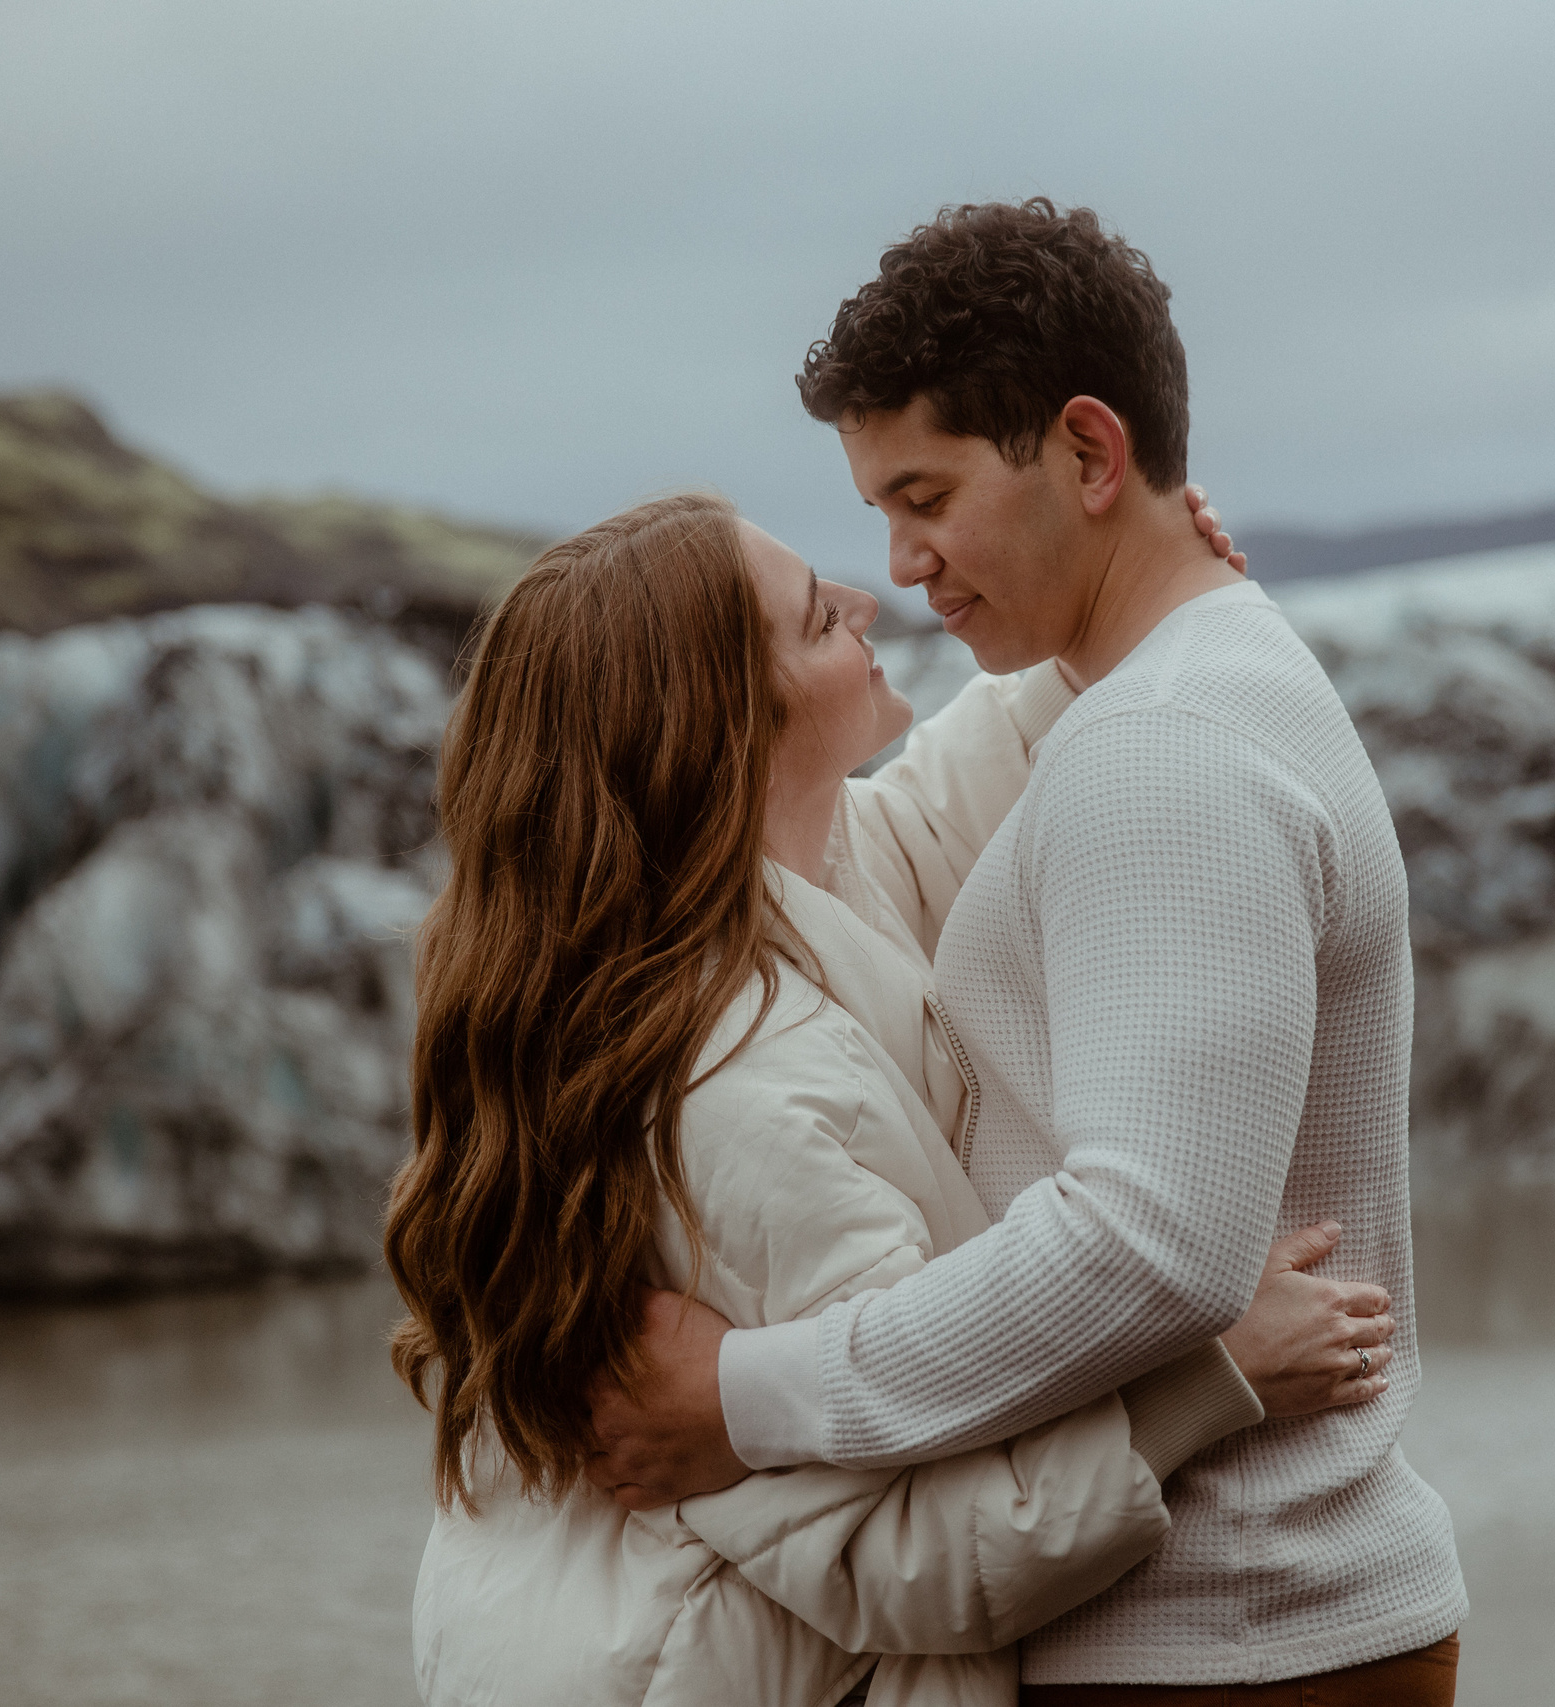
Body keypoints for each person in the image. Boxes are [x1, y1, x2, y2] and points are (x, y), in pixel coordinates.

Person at [587, 201, 1468, 1704]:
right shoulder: (1181, 697)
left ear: (1087, 451)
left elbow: (1148, 1242)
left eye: (923, 494)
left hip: (1221, 1633)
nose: (902, 561)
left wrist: (743, 1396)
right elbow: (909, 831)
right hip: (1244, 1623)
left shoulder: (1161, 750)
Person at [386, 489, 1399, 1707]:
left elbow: (924, 819)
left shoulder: (759, 897)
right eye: (819, 620)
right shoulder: (746, 1098)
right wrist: (1206, 1385)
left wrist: (1113, 589)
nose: (868, 600)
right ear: (723, 733)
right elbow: (906, 1553)